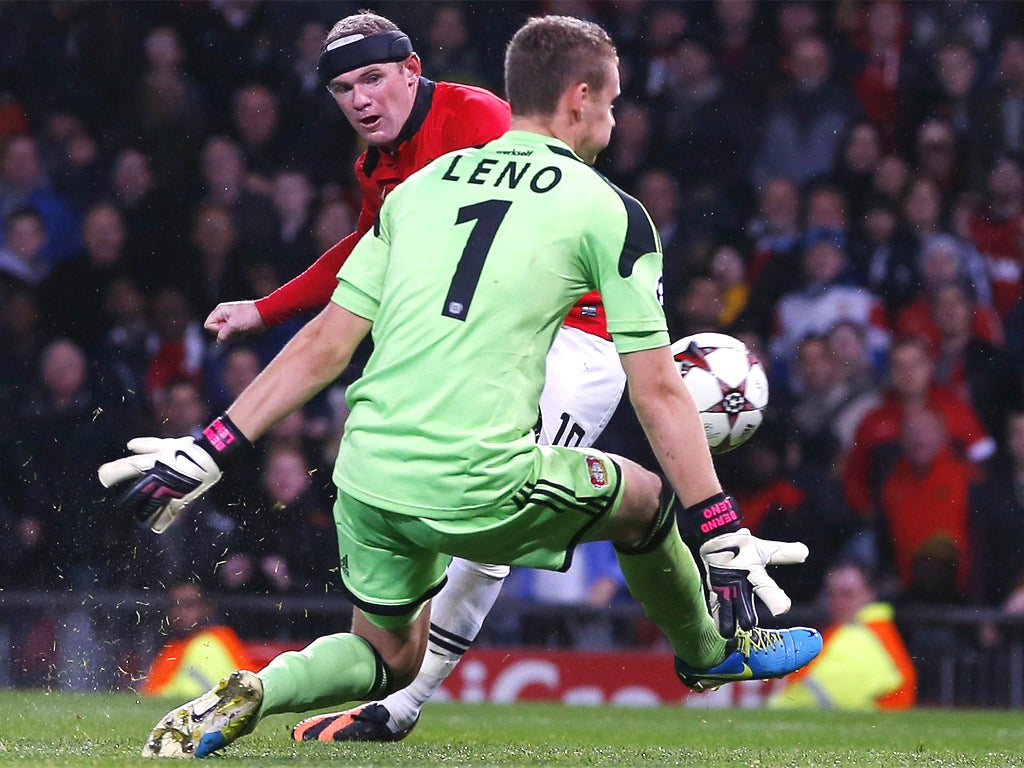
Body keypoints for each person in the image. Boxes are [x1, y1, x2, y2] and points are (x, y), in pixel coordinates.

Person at [98, 15, 820, 759]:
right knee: (644, 504)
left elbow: (324, 344)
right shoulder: (607, 208)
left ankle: (263, 687)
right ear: (579, 98)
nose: (615, 117)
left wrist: (212, 446)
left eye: (371, 79)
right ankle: (706, 654)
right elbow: (660, 391)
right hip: (497, 442)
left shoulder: (417, 190)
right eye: (611, 101)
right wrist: (719, 526)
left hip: (367, 468)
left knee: (384, 653)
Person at [196, 9, 626, 744]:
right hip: (483, 342)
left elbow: (564, 201)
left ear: (411, 70)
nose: (360, 100)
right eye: (342, 89)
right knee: (431, 493)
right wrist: (266, 309)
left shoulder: (480, 119)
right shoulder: (378, 166)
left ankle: (400, 702)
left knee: (494, 524)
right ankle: (380, 669)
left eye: (372, 78)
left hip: (571, 335)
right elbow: (367, 251)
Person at [768, 560, 916, 710]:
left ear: (870, 594)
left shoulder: (860, 637)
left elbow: (821, 693)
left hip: (880, 719)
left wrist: (771, 704)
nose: (838, 602)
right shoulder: (869, 630)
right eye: (831, 593)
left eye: (847, 594)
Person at [141, 582, 255, 700]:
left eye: (189, 605)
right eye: (176, 605)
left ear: (205, 607)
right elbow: (150, 693)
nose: (181, 613)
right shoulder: (172, 648)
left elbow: (251, 682)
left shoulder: (219, 638)